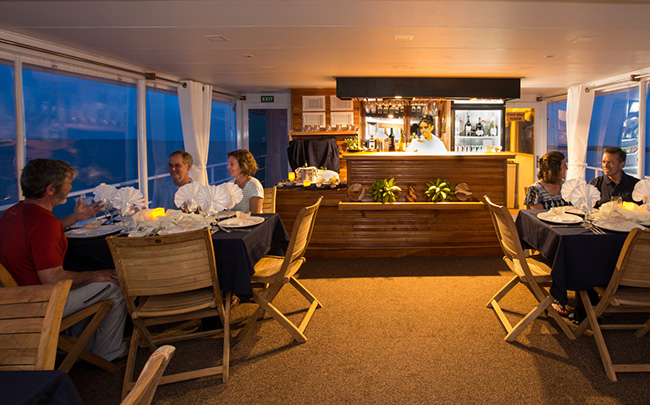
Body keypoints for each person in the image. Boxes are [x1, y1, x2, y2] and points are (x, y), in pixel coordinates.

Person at [0, 159, 128, 361]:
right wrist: (96, 274)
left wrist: (75, 218)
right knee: (113, 285)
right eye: (67, 183)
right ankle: (108, 350)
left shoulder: (12, 213)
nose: (71, 187)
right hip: (40, 303)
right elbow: (54, 280)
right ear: (51, 189)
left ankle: (79, 344)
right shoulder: (44, 224)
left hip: (14, 300)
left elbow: (37, 234)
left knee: (85, 280)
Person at [227, 149, 263, 213]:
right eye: (228, 164)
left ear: (243, 166)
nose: (227, 167)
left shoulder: (254, 186)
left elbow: (256, 216)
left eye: (231, 164)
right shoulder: (230, 184)